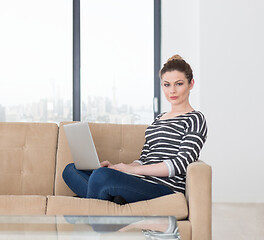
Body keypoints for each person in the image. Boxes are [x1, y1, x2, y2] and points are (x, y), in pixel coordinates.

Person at [62, 54, 207, 205]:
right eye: (167, 84)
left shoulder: (195, 118)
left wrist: (131, 171)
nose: (172, 91)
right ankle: (113, 199)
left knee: (101, 177)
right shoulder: (159, 119)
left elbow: (179, 164)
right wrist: (118, 168)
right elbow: (144, 159)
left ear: (191, 84)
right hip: (138, 182)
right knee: (71, 170)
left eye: (179, 84)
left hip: (164, 189)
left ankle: (103, 203)